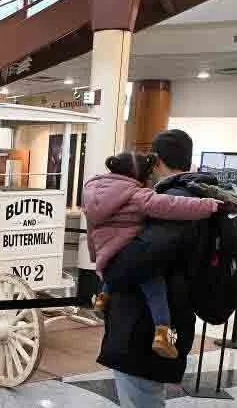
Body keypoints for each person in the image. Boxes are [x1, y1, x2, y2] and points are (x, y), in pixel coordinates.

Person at [89, 129, 237, 408]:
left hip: (150, 331)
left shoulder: (180, 202)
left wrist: (108, 268)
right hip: (152, 324)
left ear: (156, 159)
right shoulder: (192, 198)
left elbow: (130, 266)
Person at [82, 151, 220, 358]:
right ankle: (162, 332)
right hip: (130, 250)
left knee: (115, 261)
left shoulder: (91, 190)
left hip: (107, 253)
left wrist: (97, 258)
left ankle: (102, 298)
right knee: (154, 284)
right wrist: (210, 206)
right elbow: (171, 206)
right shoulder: (136, 194)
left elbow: (92, 229)